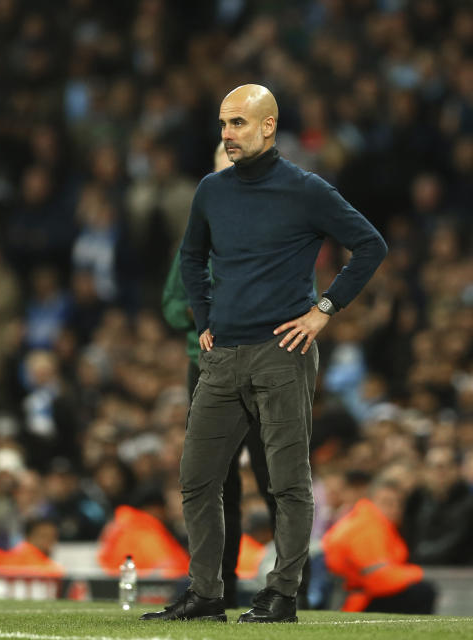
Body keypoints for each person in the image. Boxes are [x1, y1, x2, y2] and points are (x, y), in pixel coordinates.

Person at [141, 85, 387, 624]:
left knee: (286, 481)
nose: (227, 134)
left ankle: (282, 594)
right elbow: (190, 259)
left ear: (269, 126)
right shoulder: (211, 190)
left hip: (283, 352)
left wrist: (324, 309)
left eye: (238, 124)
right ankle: (206, 594)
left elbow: (371, 245)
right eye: (223, 124)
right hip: (222, 357)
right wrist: (204, 321)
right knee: (198, 478)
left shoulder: (307, 190)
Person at [160, 141, 277, 608]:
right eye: (220, 165)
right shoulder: (198, 235)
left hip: (262, 362)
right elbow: (172, 305)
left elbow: (299, 294)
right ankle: (216, 584)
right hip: (205, 365)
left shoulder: (276, 230)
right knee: (214, 477)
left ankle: (291, 585)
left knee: (277, 475)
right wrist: (200, 312)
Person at [322, 478, 436, 613]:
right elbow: (377, 578)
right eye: (387, 503)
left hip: (359, 594)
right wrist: (415, 574)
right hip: (356, 601)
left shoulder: (369, 522)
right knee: (423, 591)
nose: (394, 509)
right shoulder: (368, 528)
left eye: (398, 504)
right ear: (371, 501)